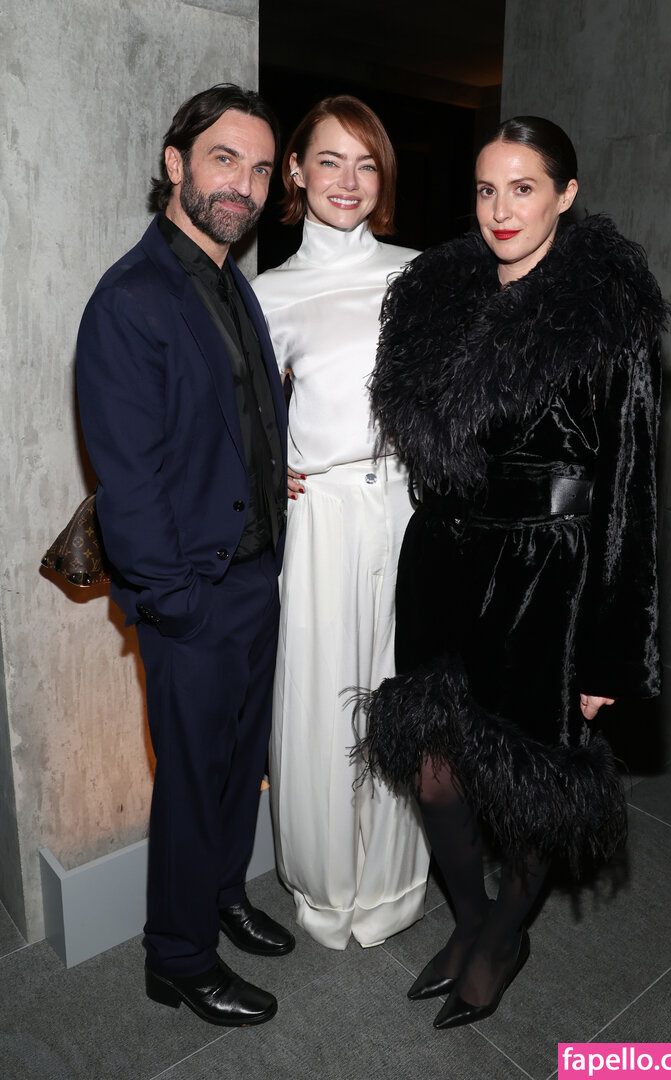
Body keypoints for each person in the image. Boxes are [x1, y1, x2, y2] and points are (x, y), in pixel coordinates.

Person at [356, 116, 671, 1028]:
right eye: (487, 189)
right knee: (435, 768)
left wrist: (613, 655)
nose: (501, 209)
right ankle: (472, 918)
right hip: (444, 563)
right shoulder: (437, 301)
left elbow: (631, 492)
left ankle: (501, 940)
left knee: (531, 781)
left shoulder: (606, 318)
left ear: (565, 196)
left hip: (546, 579)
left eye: (523, 188)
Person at [76, 84, 296, 1027]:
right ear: (177, 164)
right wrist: (179, 605)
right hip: (192, 596)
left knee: (240, 765)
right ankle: (177, 955)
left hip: (253, 578)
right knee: (193, 779)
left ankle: (222, 895)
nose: (243, 185)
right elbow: (127, 482)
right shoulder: (131, 298)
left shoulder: (232, 280)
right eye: (223, 159)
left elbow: (229, 419)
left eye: (259, 169)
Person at [252, 96, 430, 950]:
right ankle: (325, 891)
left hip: (408, 505)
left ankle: (394, 883)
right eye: (329, 160)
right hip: (319, 515)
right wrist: (266, 468)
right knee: (322, 700)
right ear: (296, 170)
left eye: (366, 163)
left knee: (400, 692)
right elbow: (236, 414)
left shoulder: (421, 273)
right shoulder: (269, 292)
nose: (348, 181)